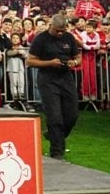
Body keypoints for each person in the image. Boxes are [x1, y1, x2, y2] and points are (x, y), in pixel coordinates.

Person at [27, 13, 81, 160]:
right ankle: (57, 152)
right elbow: (30, 61)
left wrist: (74, 62)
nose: (60, 34)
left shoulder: (69, 38)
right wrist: (49, 63)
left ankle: (52, 135)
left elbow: (77, 57)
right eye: (57, 30)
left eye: (62, 31)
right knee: (55, 116)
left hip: (66, 78)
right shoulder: (40, 39)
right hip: (48, 79)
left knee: (72, 115)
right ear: (50, 26)